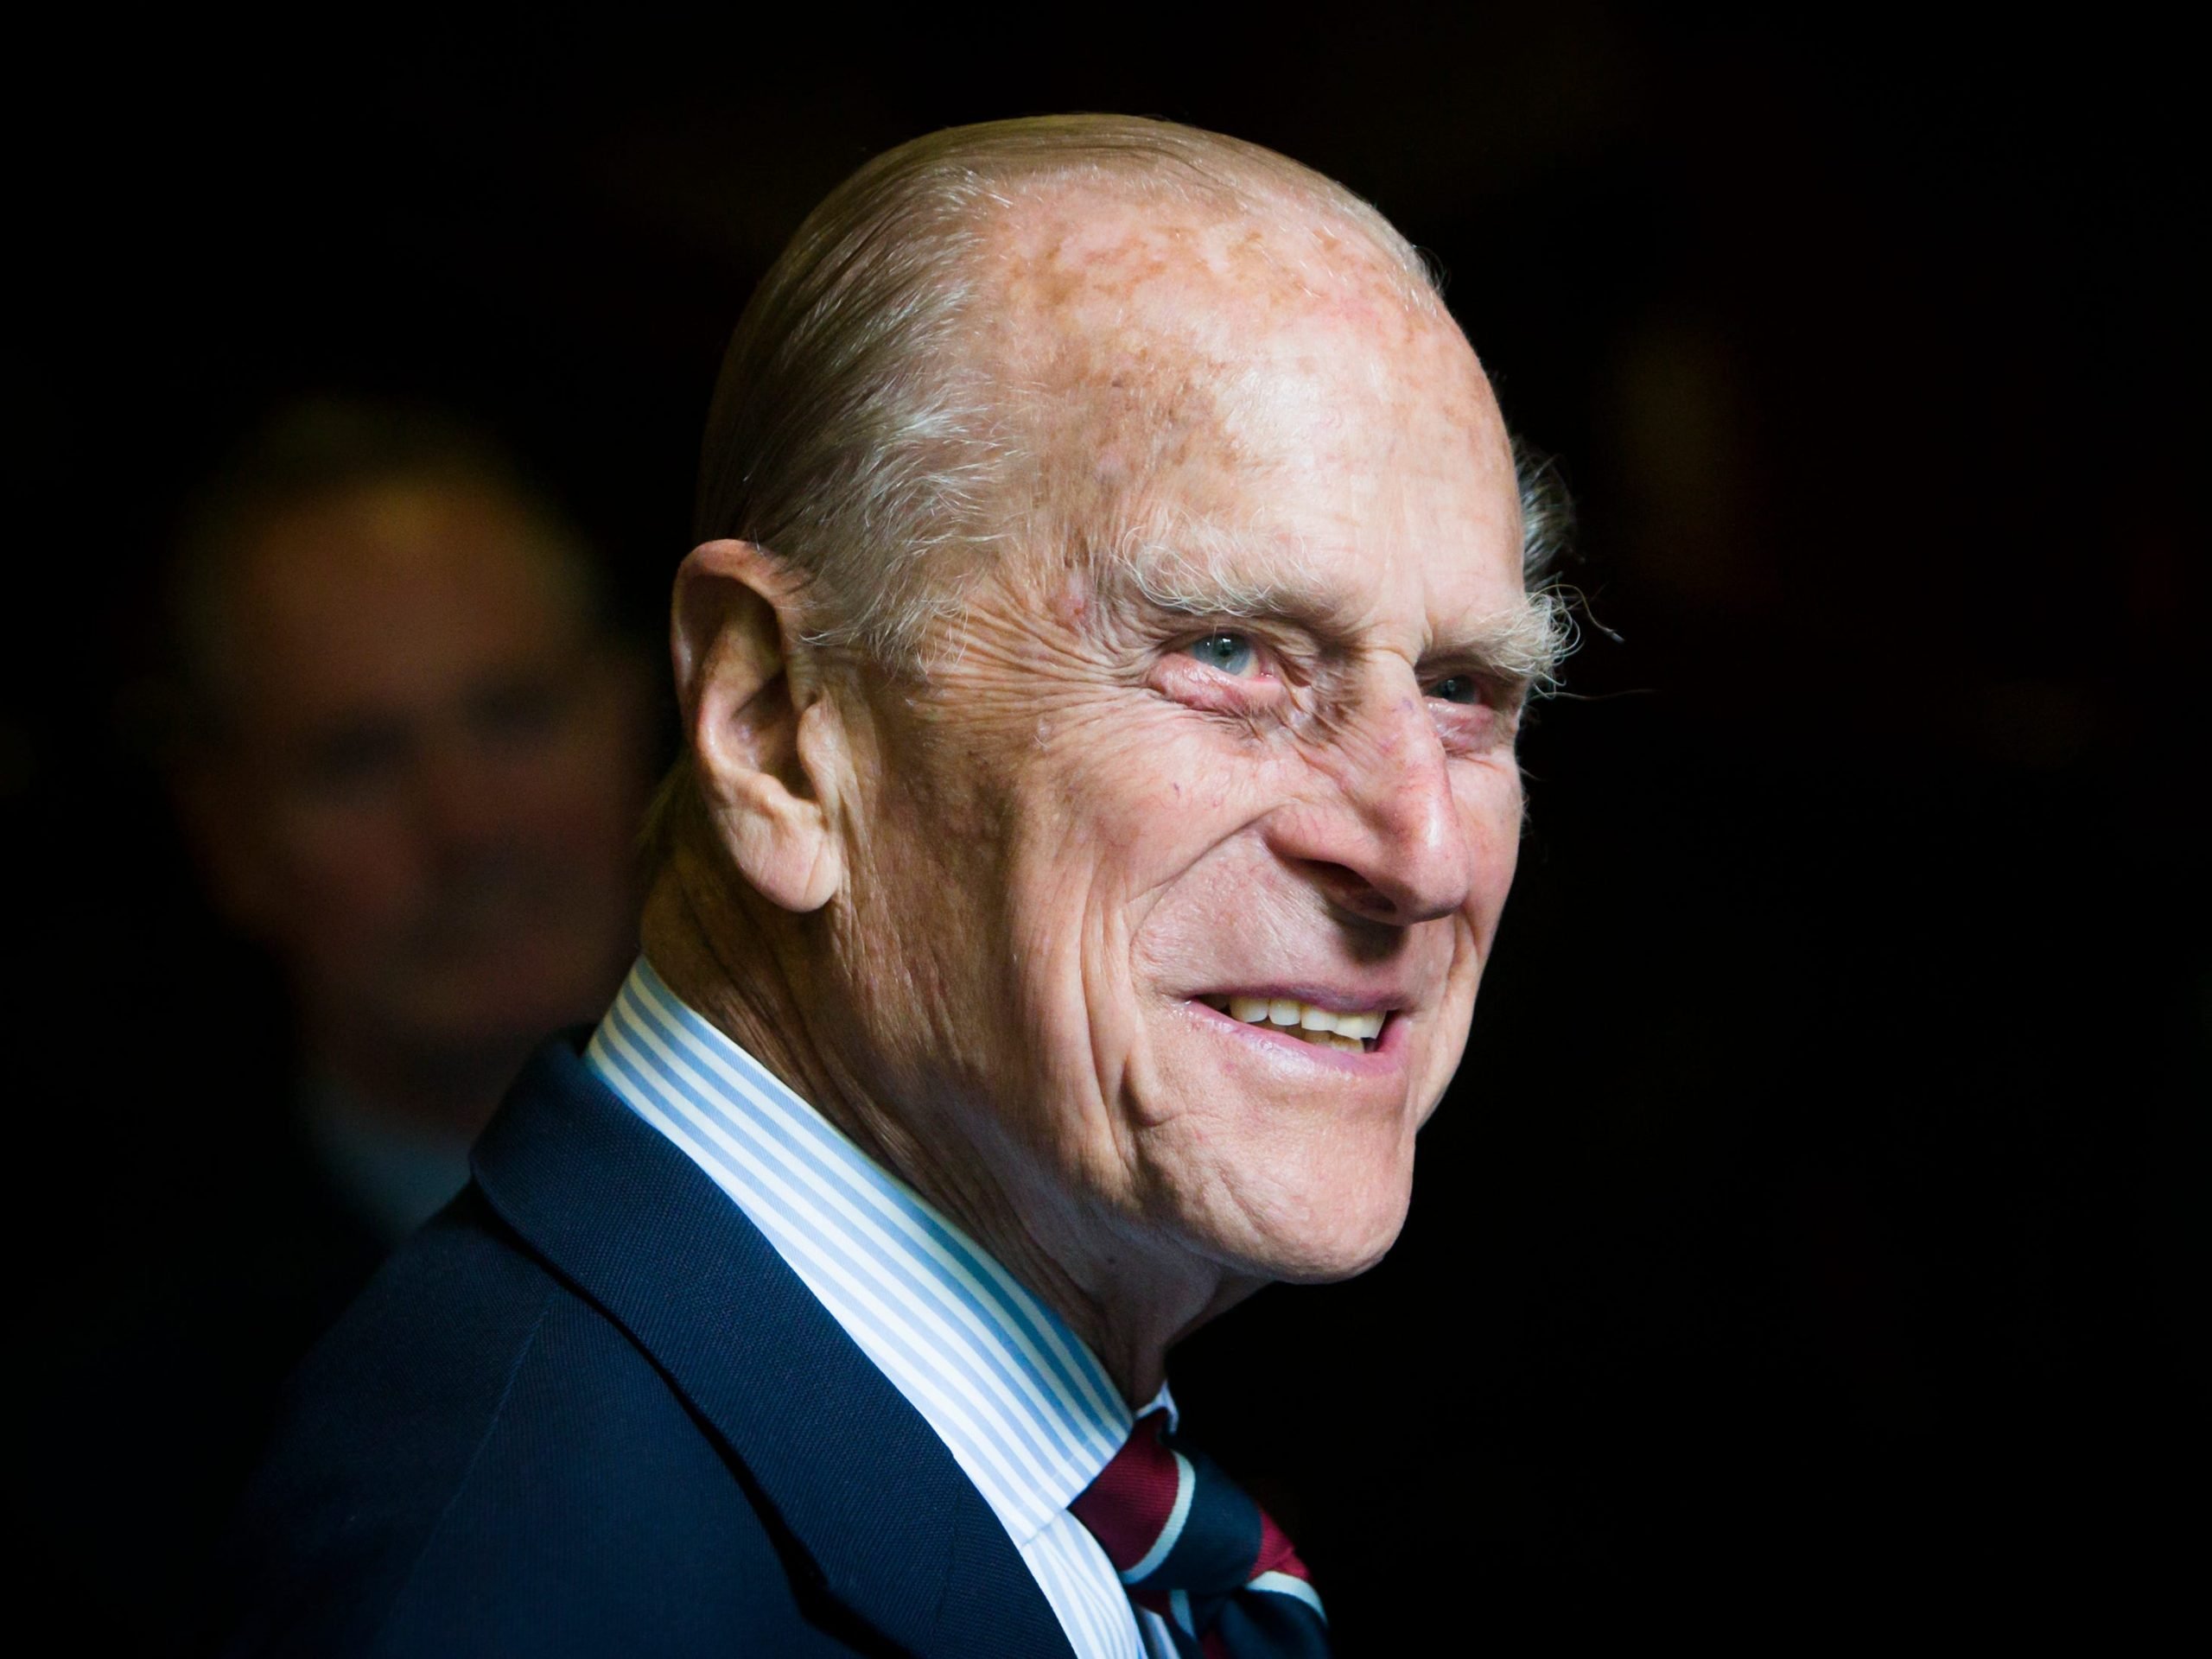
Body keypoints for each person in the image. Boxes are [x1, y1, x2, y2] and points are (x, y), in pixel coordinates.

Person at [219, 118, 1566, 1658]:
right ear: (780, 728)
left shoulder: (1045, 1475)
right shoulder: (513, 1586)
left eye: (1467, 687)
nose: (1425, 852)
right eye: (1227, 652)